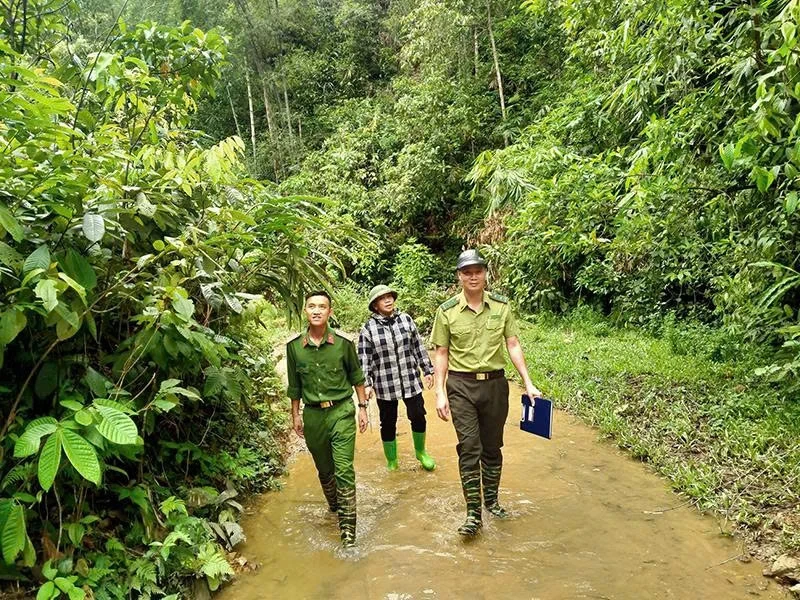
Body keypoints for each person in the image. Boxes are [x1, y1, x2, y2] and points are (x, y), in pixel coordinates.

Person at [430, 250, 543, 537]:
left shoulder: (502, 307)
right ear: (459, 276)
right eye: (467, 272)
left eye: (477, 270)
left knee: (492, 448)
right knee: (470, 447)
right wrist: (440, 392)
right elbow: (441, 353)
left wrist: (528, 383)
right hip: (461, 386)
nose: (472, 276)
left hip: (495, 386)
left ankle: (492, 502)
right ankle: (473, 514)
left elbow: (513, 344)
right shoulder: (446, 312)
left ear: (485, 273)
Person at [286, 291, 369, 548]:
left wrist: (363, 407)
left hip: (341, 411)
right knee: (325, 469)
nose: (317, 311)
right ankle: (335, 505)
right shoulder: (294, 348)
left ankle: (348, 531)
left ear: (330, 312)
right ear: (305, 311)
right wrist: (295, 415)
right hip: (312, 415)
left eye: (322, 306)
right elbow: (295, 385)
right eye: (312, 306)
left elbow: (357, 377)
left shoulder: (343, 344)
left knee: (344, 469)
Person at [357, 284, 436, 472]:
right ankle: (392, 461)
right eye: (383, 298)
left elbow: (418, 346)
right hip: (385, 383)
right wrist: (367, 384)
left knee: (418, 415)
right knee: (388, 422)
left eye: (390, 296)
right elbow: (364, 358)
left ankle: (421, 451)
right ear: (375, 305)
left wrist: (427, 369)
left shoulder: (406, 319)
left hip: (410, 379)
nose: (388, 300)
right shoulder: (368, 329)